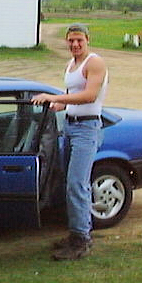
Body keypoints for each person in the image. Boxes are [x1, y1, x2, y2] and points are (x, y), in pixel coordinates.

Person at [32, 23, 108, 260]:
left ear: (88, 40)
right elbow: (74, 96)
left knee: (77, 184)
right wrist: (59, 105)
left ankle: (81, 240)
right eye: (71, 41)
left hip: (87, 128)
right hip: (71, 126)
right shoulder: (71, 64)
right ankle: (77, 234)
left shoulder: (94, 63)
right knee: (71, 183)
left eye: (79, 41)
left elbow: (89, 96)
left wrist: (53, 96)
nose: (75, 45)